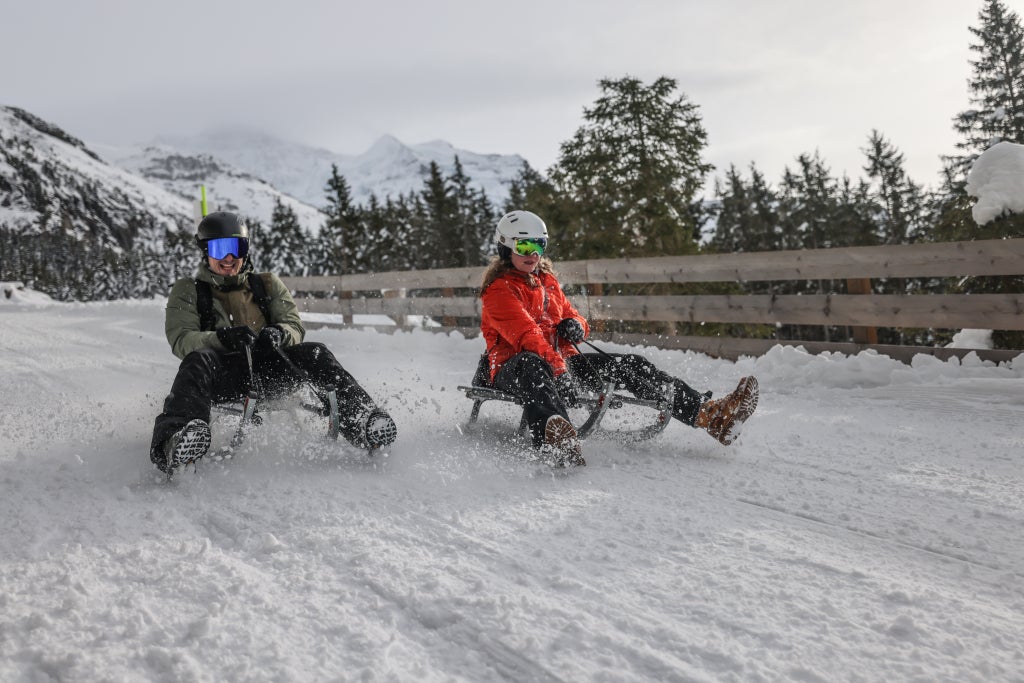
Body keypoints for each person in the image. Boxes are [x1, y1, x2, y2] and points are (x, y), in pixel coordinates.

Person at [477, 210, 759, 466]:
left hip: (560, 362)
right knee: (532, 364)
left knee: (631, 364)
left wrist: (576, 325)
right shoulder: (498, 292)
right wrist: (560, 371)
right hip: (511, 367)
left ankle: (712, 416)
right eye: (525, 246)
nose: (534, 253)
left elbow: (572, 315)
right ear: (505, 247)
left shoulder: (546, 281)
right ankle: (556, 439)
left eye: (540, 245)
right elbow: (528, 336)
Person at [149, 211, 396, 474]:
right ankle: (176, 440)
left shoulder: (265, 285)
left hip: (270, 371)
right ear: (205, 251)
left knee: (315, 352)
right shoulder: (190, 290)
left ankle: (363, 420)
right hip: (224, 375)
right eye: (220, 249)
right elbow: (181, 339)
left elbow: (294, 325)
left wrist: (279, 333)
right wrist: (220, 339)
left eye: (237, 248)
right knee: (196, 360)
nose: (229, 258)